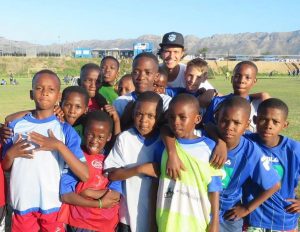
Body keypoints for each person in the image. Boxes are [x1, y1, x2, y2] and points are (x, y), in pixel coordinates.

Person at [1, 69, 89, 231]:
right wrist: (11, 154)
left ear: (58, 96)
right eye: (39, 88)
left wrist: (57, 145)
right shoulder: (16, 126)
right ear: (31, 93)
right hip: (23, 203)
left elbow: (84, 174)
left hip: (53, 204)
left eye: (51, 90)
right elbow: (6, 166)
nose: (45, 93)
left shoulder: (65, 130)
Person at [156, 94, 222, 232]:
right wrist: (171, 153)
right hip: (166, 221)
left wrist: (215, 221)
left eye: (182, 117)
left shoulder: (209, 148)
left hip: (197, 222)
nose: (176, 122)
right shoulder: (165, 144)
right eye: (172, 117)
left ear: (197, 119)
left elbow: (214, 188)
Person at [215, 96, 280, 232]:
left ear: (247, 124)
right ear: (216, 119)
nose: (229, 127)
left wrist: (246, 208)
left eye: (236, 123)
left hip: (228, 215)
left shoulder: (251, 151)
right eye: (224, 121)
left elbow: (274, 184)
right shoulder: (205, 140)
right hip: (200, 208)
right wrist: (219, 142)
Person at [105, 91, 164, 232]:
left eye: (150, 116)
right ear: (133, 114)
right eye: (139, 114)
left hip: (157, 217)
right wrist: (140, 169)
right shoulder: (125, 138)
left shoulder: (164, 141)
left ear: (159, 116)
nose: (144, 121)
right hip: (128, 216)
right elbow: (112, 174)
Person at [59, 110, 122, 232]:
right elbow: (66, 196)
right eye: (90, 134)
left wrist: (88, 193)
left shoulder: (112, 159)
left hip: (106, 224)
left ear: (109, 137)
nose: (94, 140)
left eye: (101, 137)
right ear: (83, 132)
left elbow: (115, 195)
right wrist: (100, 203)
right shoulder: (76, 158)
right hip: (80, 223)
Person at [243, 98, 300, 232]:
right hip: (254, 218)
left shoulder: (294, 149)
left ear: (285, 125)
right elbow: (216, 131)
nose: (269, 125)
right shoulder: (246, 143)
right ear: (255, 120)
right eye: (264, 119)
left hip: (284, 218)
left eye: (275, 122)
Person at [202, 61, 268, 132]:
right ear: (232, 79)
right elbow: (206, 125)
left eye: (247, 77)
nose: (241, 80)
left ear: (254, 81)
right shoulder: (217, 102)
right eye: (237, 76)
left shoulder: (258, 105)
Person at [113, 52, 171, 129]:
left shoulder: (166, 102)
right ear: (131, 74)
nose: (141, 77)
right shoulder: (120, 102)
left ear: (156, 76)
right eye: (136, 72)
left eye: (147, 73)